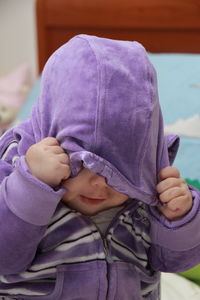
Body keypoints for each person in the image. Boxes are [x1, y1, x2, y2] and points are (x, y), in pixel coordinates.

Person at [0, 34, 199, 300]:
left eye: (120, 169)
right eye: (82, 163)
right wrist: (31, 187)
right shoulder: (16, 170)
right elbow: (5, 258)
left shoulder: (149, 188)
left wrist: (180, 218)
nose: (100, 183)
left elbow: (174, 262)